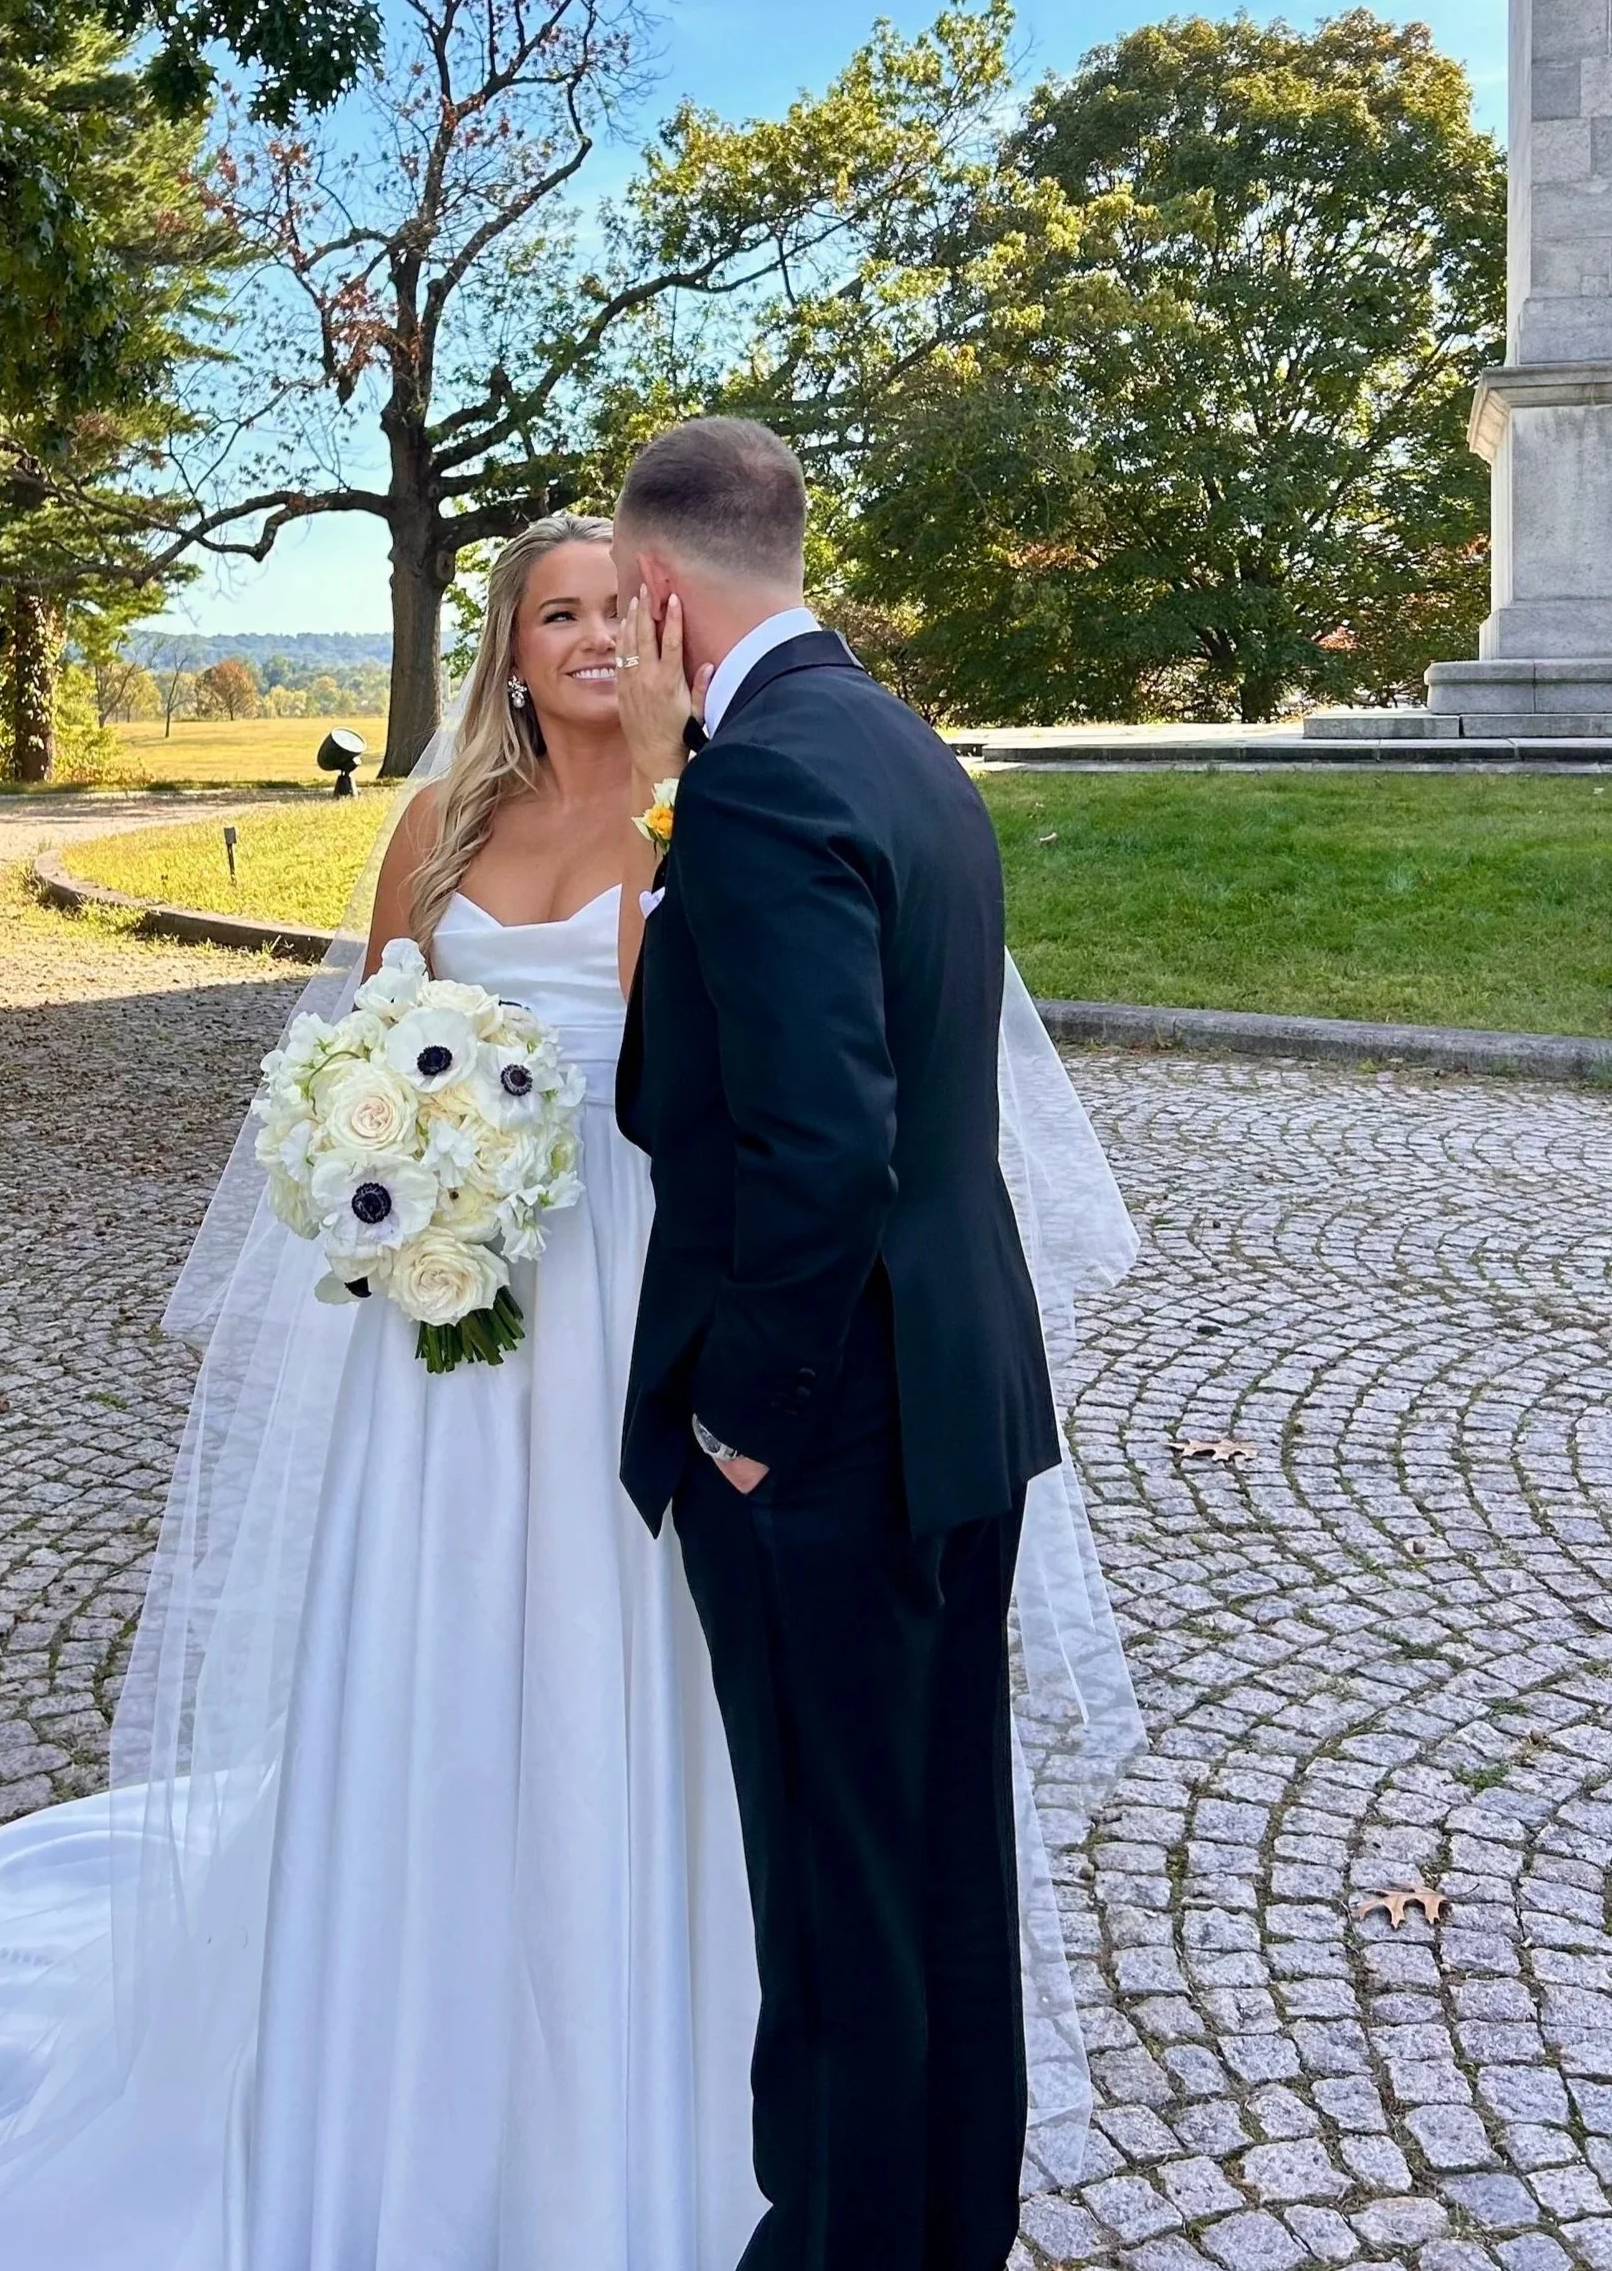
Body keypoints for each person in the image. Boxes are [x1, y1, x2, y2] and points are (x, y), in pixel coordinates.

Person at [0, 507, 1136, 2271]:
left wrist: (671, 790)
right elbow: (374, 1036)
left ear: (666, 616)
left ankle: (679, 2079)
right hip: (464, 1315)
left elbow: (704, 1058)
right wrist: (415, 1177)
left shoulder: (711, 798)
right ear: (509, 650)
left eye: (619, 605)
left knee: (658, 1684)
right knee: (442, 1657)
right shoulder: (437, 827)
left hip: (636, 1286)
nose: (595, 637)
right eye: (556, 615)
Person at [612, 419, 1056, 2271]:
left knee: (837, 1912)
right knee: (941, 1880)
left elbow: (823, 1143)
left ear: (654, 594)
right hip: (958, 1404)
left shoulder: (759, 779)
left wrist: (740, 1420)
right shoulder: (897, 746)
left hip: (833, 1436)